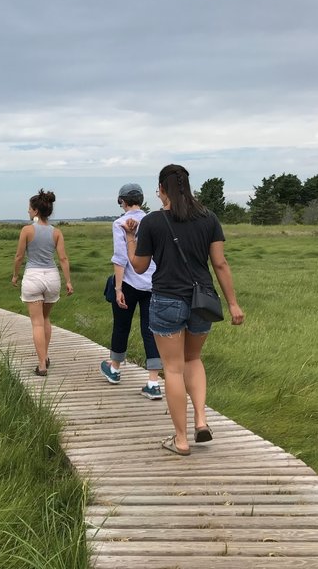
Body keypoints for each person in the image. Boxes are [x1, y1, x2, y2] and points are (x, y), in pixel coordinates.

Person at [123, 164, 244, 456]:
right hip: (202, 299)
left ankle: (180, 439)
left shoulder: (152, 222)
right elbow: (220, 263)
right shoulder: (209, 218)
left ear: (162, 189)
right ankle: (201, 420)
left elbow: (139, 266)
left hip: (167, 299)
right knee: (194, 359)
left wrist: (130, 239)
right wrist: (233, 303)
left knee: (173, 369)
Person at [100, 183, 163, 400]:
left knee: (121, 325)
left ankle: (115, 369)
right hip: (153, 283)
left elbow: (120, 258)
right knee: (151, 330)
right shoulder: (154, 221)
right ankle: (153, 382)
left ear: (122, 201)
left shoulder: (119, 223)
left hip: (128, 282)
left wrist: (118, 289)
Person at [12, 189, 73, 376]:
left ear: (36, 211)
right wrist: (68, 282)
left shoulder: (27, 230)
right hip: (52, 278)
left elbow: (19, 256)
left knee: (37, 323)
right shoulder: (56, 232)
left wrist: (15, 275)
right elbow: (63, 258)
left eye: (30, 209)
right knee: (45, 319)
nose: (28, 212)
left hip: (33, 277)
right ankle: (45, 356)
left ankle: (42, 365)